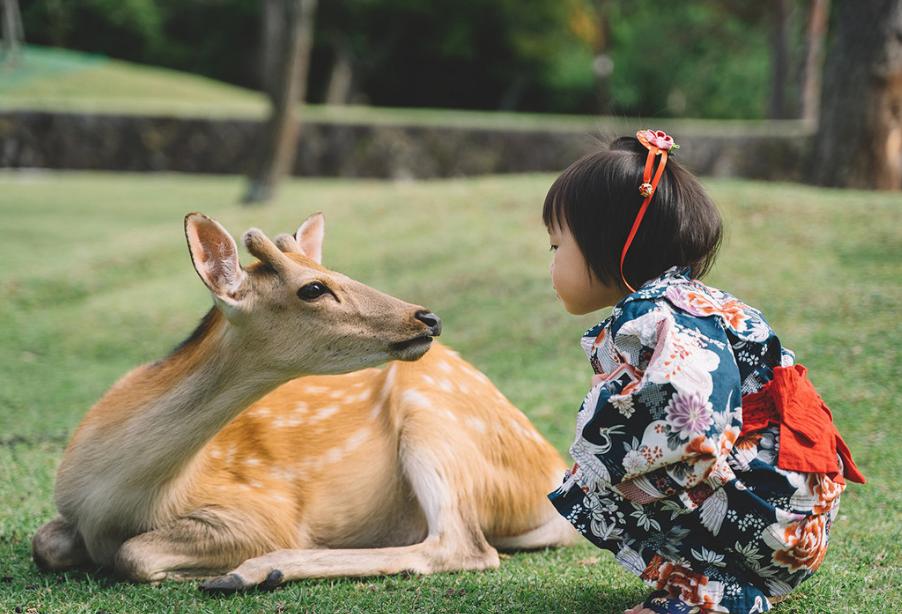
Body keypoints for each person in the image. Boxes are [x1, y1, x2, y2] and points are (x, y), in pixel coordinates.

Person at [544, 130, 865, 614]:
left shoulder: (659, 313)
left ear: (608, 245)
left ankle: (714, 594)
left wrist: (607, 403)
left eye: (556, 246)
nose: (550, 262)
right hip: (789, 510)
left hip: (772, 515)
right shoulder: (684, 305)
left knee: (607, 465)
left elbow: (694, 422)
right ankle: (715, 584)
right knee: (619, 460)